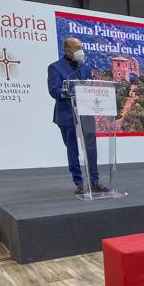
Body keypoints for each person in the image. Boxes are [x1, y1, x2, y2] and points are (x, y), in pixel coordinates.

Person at [47, 37, 109, 194]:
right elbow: (54, 91)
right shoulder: (55, 68)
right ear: (67, 50)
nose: (80, 51)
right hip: (67, 114)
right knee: (73, 149)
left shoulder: (85, 67)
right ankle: (79, 183)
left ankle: (94, 181)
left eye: (81, 47)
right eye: (76, 48)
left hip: (86, 111)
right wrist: (73, 89)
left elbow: (90, 87)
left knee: (91, 148)